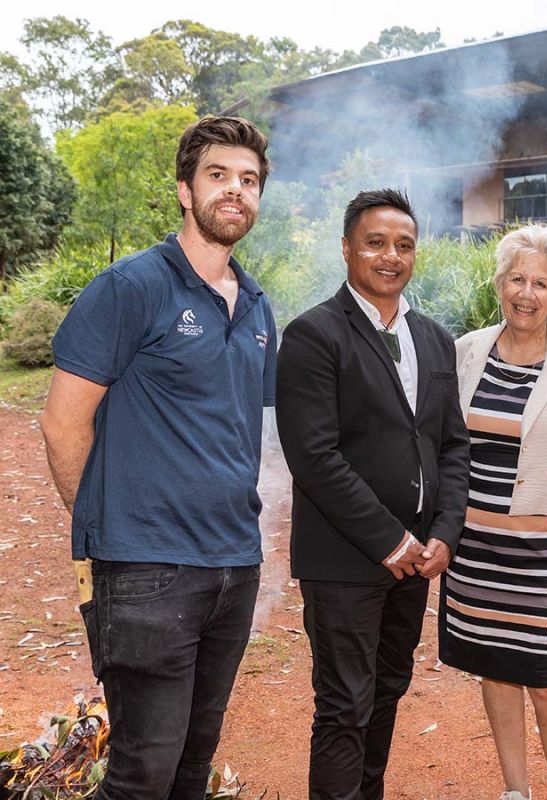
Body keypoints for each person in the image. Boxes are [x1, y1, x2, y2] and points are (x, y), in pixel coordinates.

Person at [39, 116, 276, 800]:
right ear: (183, 190)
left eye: (250, 180)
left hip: (234, 566)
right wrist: (110, 530)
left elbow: (242, 433)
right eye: (218, 176)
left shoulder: (258, 307)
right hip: (147, 571)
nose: (236, 191)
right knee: (143, 772)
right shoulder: (132, 287)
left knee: (192, 769)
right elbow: (61, 423)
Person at [275, 188, 470, 800]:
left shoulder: (435, 339)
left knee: (387, 690)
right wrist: (390, 540)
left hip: (415, 561)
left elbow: (453, 446)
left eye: (404, 245)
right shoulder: (313, 335)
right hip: (345, 559)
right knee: (344, 704)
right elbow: (314, 456)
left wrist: (444, 532)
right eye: (376, 243)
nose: (391, 256)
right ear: (347, 249)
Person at [439, 224, 547, 800]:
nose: (527, 293)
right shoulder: (466, 350)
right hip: (477, 544)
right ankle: (516, 789)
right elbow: (445, 445)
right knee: (495, 668)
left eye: (541, 283)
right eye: (517, 278)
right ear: (499, 283)